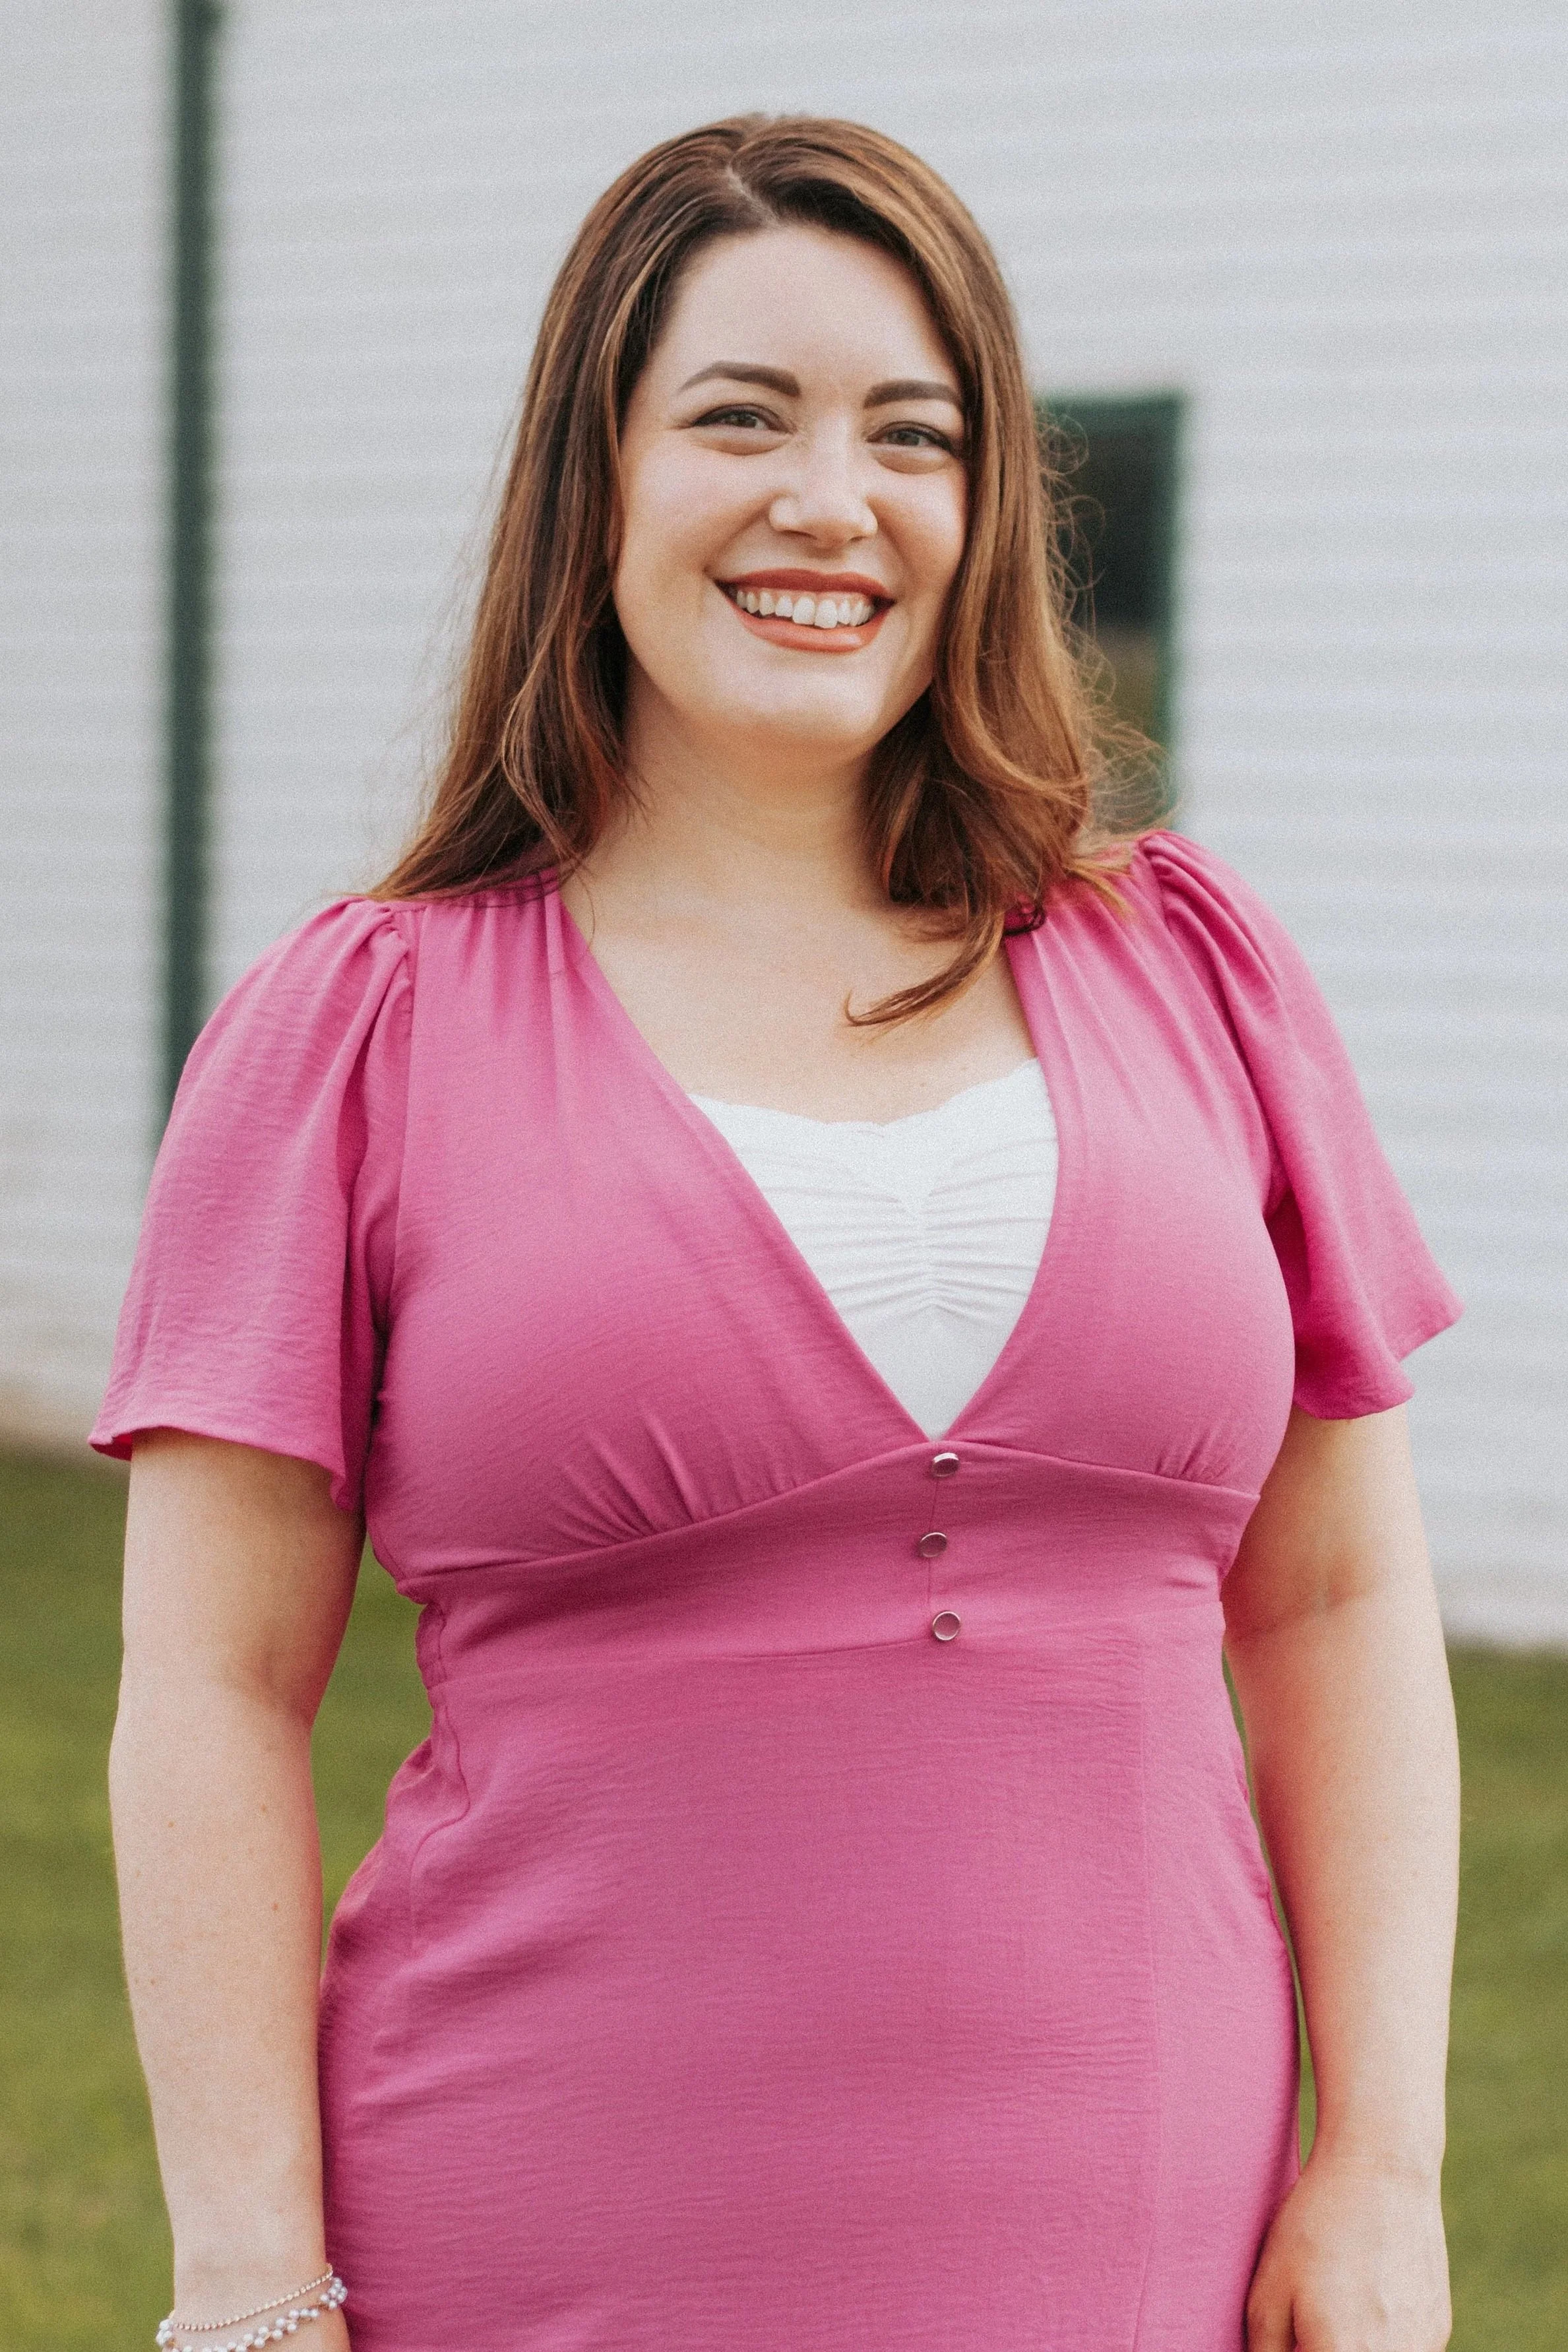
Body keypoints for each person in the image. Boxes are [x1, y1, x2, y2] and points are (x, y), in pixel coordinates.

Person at [100, 115, 1462, 2352]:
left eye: (909, 434)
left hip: (1144, 2247)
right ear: (596, 478)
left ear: (985, 504)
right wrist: (250, 2280)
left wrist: (1383, 2164)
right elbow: (211, 1689)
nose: (832, 500)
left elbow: (1333, 1592)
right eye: (743, 416)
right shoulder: (358, 1030)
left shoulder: (1197, 973)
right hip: (533, 2240)